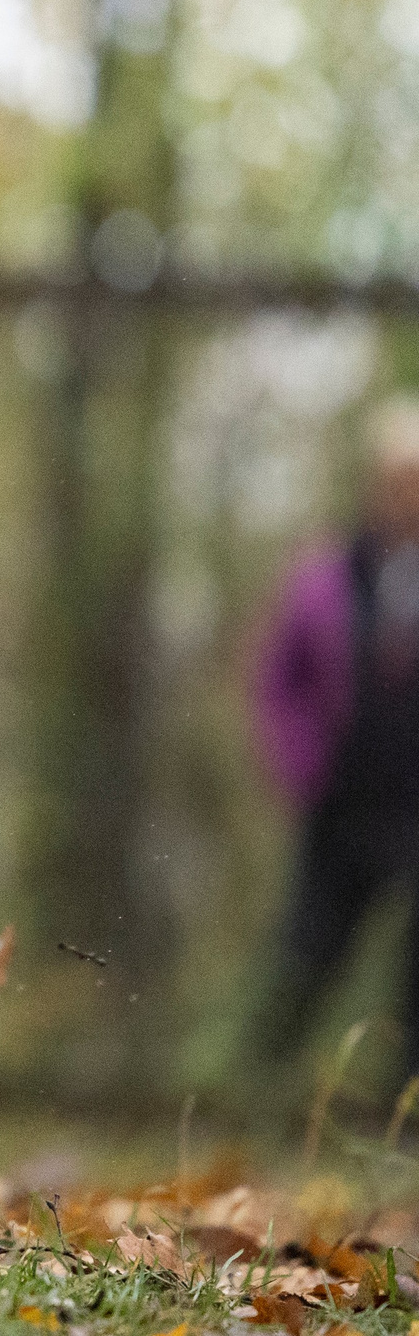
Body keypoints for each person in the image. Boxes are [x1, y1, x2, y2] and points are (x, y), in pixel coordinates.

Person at [252, 396, 419, 1085]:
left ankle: (401, 1104)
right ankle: (256, 1083)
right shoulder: (324, 577)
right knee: (310, 946)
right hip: (344, 797)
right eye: (397, 480)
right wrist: (303, 764)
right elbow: (277, 680)